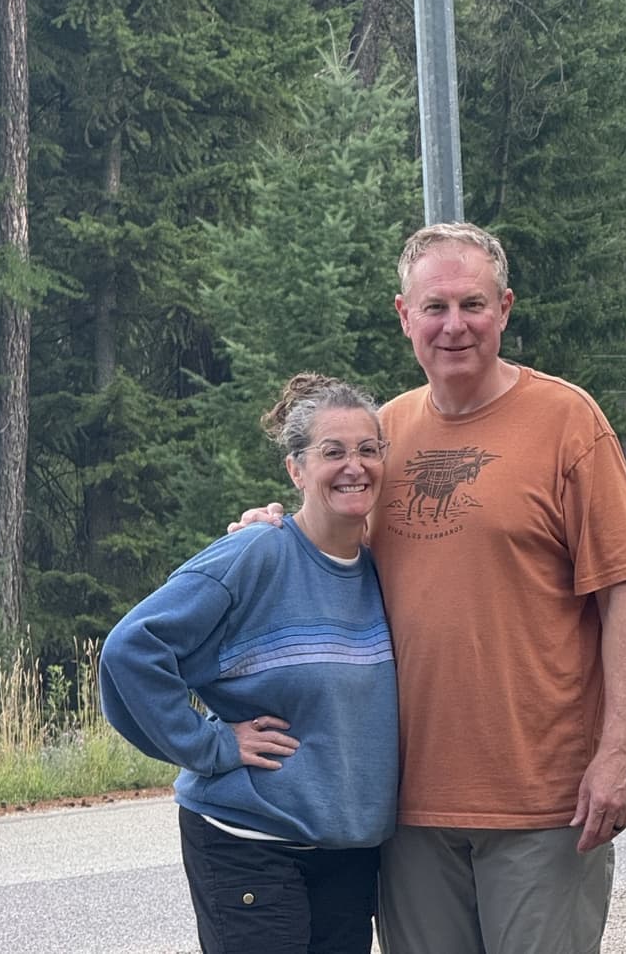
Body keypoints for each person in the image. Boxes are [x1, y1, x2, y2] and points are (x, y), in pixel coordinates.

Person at [239, 222, 626, 954]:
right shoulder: (383, 436)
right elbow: (328, 551)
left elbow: (624, 594)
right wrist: (271, 528)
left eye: (472, 304)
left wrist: (617, 753)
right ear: (405, 316)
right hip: (405, 808)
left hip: (544, 802)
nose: (454, 325)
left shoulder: (568, 423)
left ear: (505, 309)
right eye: (435, 307)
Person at [100, 374, 398, 954]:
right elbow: (131, 650)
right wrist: (210, 745)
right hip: (249, 840)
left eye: (368, 449)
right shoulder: (258, 551)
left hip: (348, 850)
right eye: (332, 452)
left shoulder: (385, 570)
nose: (354, 466)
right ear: (296, 469)